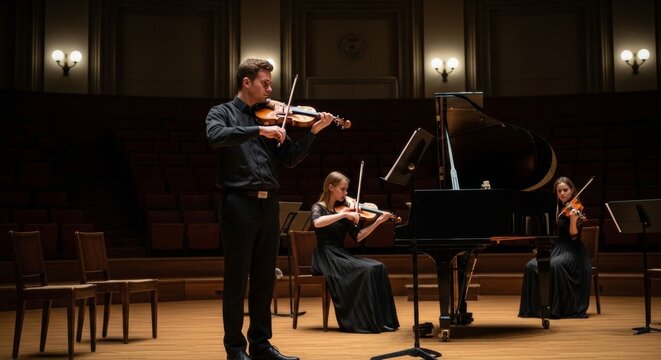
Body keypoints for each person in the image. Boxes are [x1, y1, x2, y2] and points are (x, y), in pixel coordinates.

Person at [206, 58, 335, 360]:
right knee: (236, 281)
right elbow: (215, 138)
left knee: (264, 280)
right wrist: (257, 131)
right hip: (239, 203)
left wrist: (313, 132)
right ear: (247, 82)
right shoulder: (222, 113)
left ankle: (261, 346)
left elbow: (289, 158)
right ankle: (235, 350)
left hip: (269, 205)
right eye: (265, 82)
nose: (270, 89)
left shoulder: (270, 118)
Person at [310, 171, 400, 333]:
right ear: (331, 187)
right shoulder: (319, 207)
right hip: (326, 256)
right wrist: (344, 215)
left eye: (346, 190)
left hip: (340, 253)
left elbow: (358, 237)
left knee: (378, 267)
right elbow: (317, 223)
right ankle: (362, 321)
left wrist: (378, 222)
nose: (346, 194)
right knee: (366, 270)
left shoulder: (344, 210)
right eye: (343, 189)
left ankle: (382, 321)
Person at [519, 176, 592, 318]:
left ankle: (557, 308)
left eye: (565, 190)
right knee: (531, 265)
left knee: (554, 265)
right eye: (559, 191)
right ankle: (536, 309)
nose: (563, 193)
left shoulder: (576, 208)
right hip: (555, 248)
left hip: (572, 250)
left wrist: (573, 219)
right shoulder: (554, 208)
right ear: (556, 193)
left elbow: (573, 236)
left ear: (572, 191)